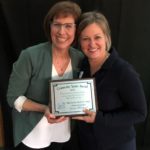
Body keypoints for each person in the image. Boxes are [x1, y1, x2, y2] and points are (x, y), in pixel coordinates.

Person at [7, 1, 83, 150]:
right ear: (50, 26)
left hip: (62, 133)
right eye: (57, 24)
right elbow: (13, 98)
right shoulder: (29, 56)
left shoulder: (80, 58)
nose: (61, 31)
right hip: (33, 134)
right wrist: (43, 108)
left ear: (77, 29)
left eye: (68, 25)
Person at [72, 11, 147, 150]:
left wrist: (99, 119)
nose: (92, 44)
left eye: (97, 37)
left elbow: (139, 114)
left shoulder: (123, 71)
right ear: (79, 41)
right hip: (87, 143)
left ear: (107, 38)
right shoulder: (82, 66)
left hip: (117, 145)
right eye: (85, 38)